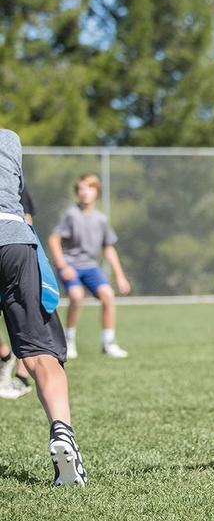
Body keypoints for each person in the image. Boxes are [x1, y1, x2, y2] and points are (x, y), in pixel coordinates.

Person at [0, 128, 87, 486]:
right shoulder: (9, 139)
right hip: (14, 239)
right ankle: (62, 432)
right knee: (39, 353)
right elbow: (21, 203)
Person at [48, 174, 131, 359]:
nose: (85, 192)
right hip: (71, 265)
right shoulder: (71, 214)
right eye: (81, 189)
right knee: (77, 297)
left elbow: (108, 248)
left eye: (89, 188)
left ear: (97, 191)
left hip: (91, 266)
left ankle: (108, 343)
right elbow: (54, 239)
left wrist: (120, 276)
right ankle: (68, 341)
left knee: (108, 295)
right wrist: (62, 265)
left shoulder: (101, 219)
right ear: (77, 193)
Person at [0, 187, 36, 399]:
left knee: (21, 316)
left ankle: (21, 377)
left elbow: (28, 220)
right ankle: (5, 356)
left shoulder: (16, 183)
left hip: (13, 253)